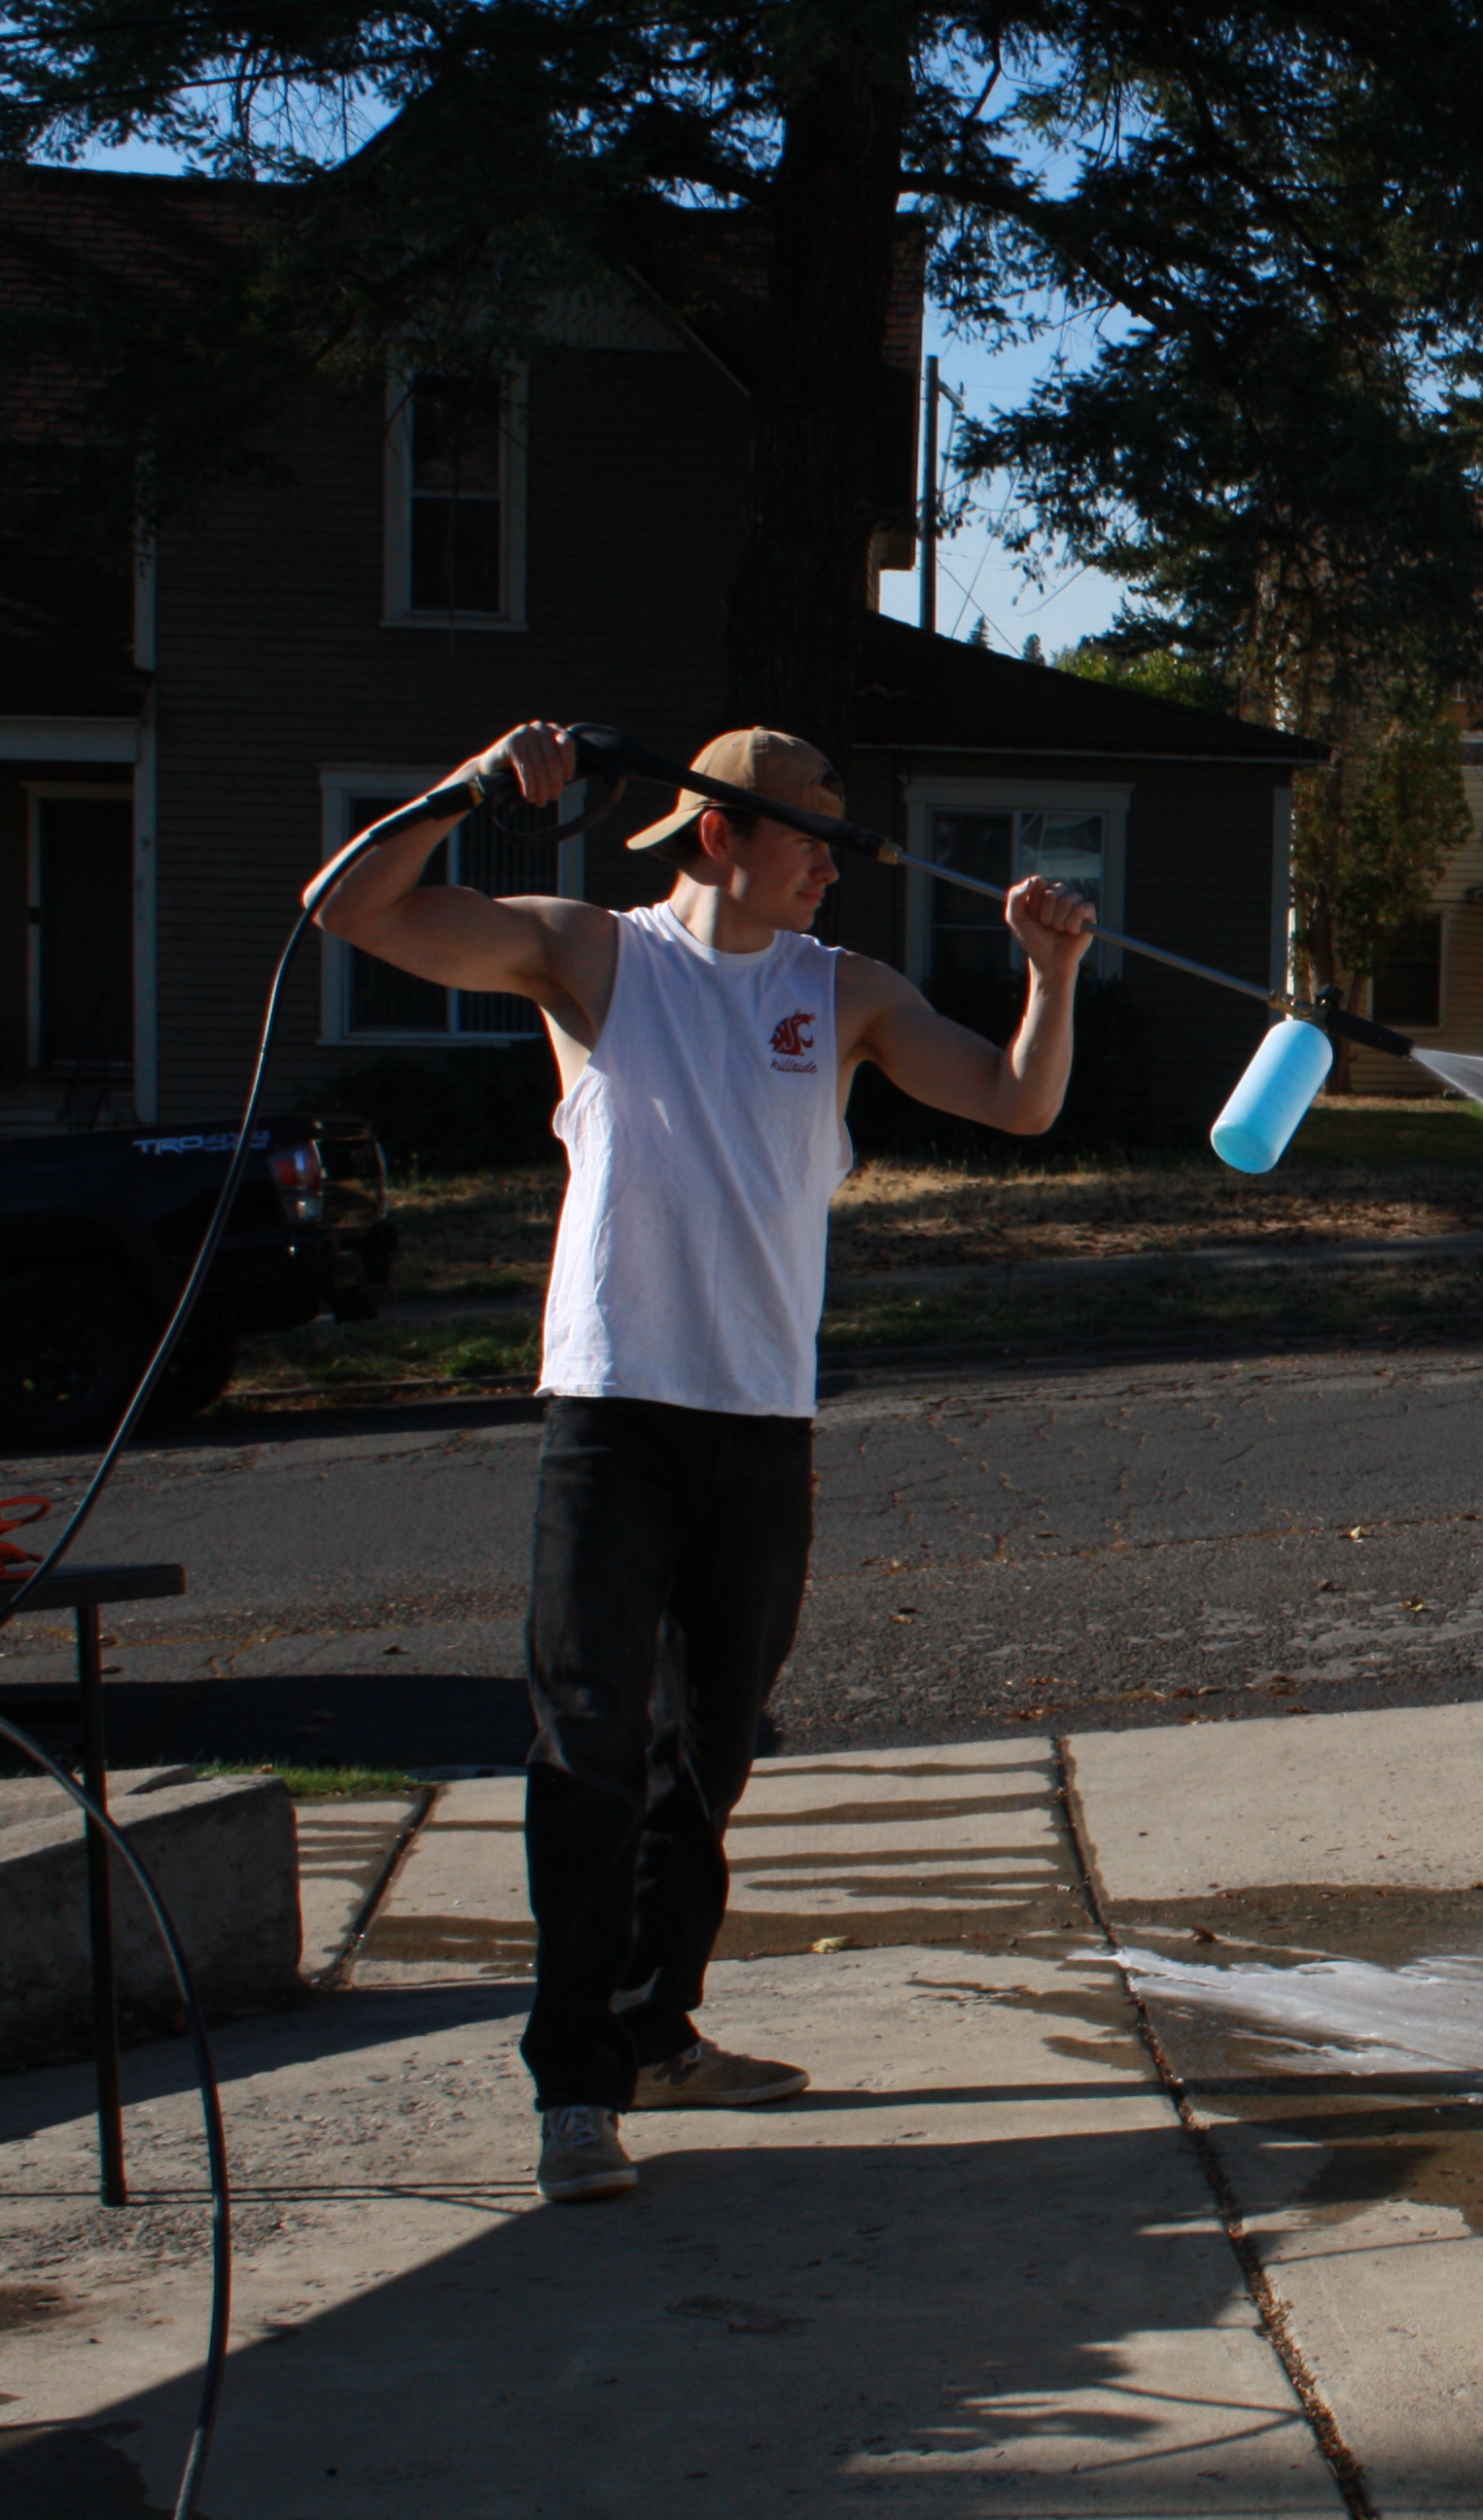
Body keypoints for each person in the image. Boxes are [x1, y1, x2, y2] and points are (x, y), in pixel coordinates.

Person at [311, 721, 1098, 2203]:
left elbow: (1017, 1100)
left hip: (759, 1428)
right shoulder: (594, 959)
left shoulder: (842, 992)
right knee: (592, 1747)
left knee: (707, 1758)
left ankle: (655, 2032)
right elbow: (347, 910)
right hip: (612, 1418)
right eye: (812, 836)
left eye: (843, 839)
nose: (833, 865)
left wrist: (1050, 980)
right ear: (719, 836)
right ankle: (574, 2091)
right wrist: (474, 789)